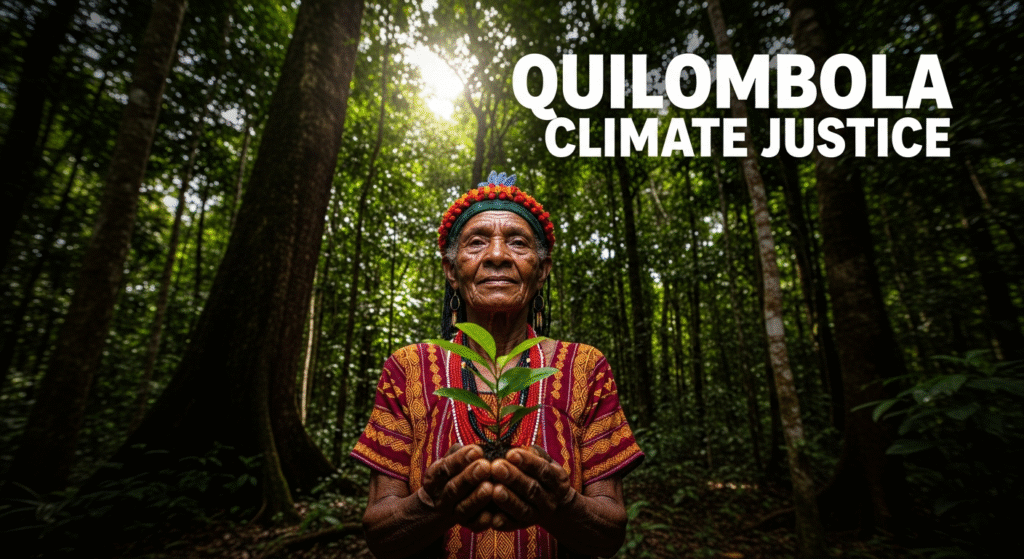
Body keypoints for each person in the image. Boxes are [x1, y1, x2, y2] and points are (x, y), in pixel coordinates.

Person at [351, 172, 643, 559]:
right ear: (451, 271)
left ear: (542, 271)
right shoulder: (408, 368)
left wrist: (562, 505)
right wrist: (431, 506)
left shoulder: (585, 367)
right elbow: (379, 531)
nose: (497, 256)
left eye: (518, 243)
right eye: (476, 242)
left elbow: (610, 530)